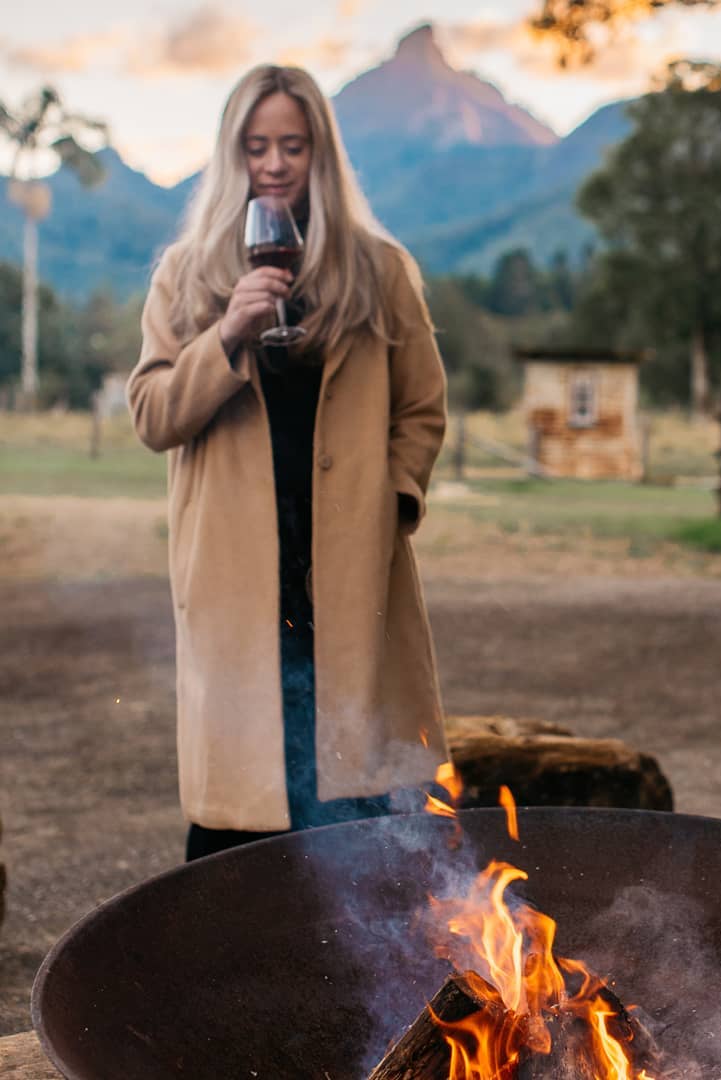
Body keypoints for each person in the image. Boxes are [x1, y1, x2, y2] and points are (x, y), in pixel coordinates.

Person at [127, 64, 449, 862]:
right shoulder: (188, 272)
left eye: (293, 146)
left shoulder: (378, 270)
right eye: (257, 145)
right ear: (231, 155)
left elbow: (422, 411)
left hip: (345, 572)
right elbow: (152, 415)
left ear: (321, 156)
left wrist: (390, 506)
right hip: (238, 581)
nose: (273, 164)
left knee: (359, 812)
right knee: (240, 814)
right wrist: (227, 333)